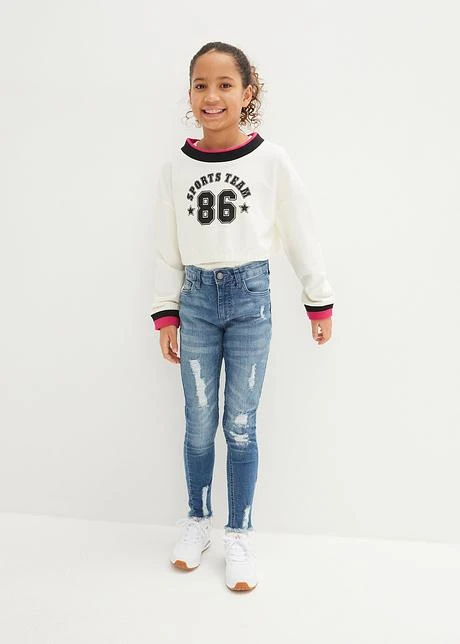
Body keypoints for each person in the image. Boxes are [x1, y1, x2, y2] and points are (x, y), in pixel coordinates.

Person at [150, 41, 335, 592]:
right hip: (196, 302)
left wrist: (317, 298)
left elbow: (300, 230)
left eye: (225, 85)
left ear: (247, 93)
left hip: (251, 299)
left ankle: (239, 534)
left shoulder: (270, 160)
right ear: (189, 94)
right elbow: (166, 245)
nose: (212, 96)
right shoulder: (176, 166)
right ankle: (197, 521)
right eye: (201, 85)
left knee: (240, 424)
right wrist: (166, 312)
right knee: (198, 421)